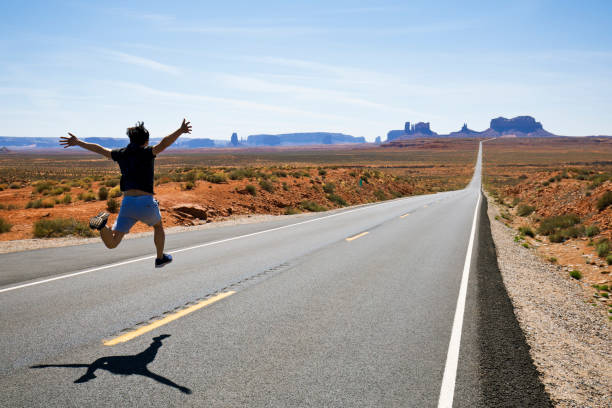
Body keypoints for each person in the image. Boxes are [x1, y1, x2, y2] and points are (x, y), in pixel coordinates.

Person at [59, 119, 192, 267]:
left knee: (113, 242)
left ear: (131, 139)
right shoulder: (147, 152)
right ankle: (160, 258)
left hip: (127, 203)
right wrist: (180, 131)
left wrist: (78, 142)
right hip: (145, 202)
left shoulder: (121, 154)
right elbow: (164, 143)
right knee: (158, 226)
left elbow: (100, 149)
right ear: (146, 140)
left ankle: (102, 226)